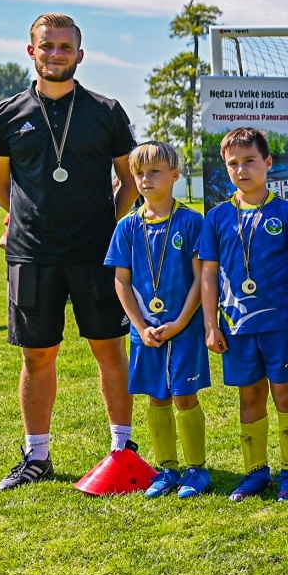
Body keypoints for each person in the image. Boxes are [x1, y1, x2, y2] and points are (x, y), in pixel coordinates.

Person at [0, 13, 139, 491]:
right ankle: (37, 456)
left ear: (80, 54)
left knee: (109, 350)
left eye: (65, 46)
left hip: (96, 254)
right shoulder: (7, 114)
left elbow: (129, 180)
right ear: (31, 51)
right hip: (32, 255)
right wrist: (27, 221)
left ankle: (122, 450)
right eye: (47, 45)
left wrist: (107, 228)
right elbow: (1, 185)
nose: (56, 53)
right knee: (38, 356)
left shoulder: (106, 110)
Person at [199, 127, 288, 502]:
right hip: (237, 328)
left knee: (285, 394)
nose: (241, 170)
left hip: (281, 325)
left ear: (267, 163)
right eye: (233, 164)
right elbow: (209, 274)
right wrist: (211, 325)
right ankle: (255, 473)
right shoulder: (216, 218)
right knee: (249, 397)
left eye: (249, 161)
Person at [105, 142, 210, 498]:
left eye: (154, 172)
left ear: (175, 176)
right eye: (139, 174)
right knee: (156, 398)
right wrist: (139, 326)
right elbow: (121, 280)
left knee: (184, 396)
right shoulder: (126, 227)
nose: (146, 179)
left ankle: (196, 469)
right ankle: (167, 469)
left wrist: (180, 322)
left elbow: (201, 279)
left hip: (185, 329)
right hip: (145, 332)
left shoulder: (193, 222)